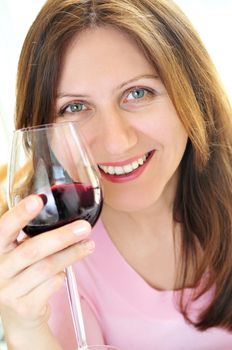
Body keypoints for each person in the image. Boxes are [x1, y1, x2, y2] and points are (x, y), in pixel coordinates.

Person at [0, 0, 232, 349]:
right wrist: (25, 328)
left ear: (194, 94)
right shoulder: (52, 261)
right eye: (75, 107)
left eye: (138, 93)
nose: (116, 142)